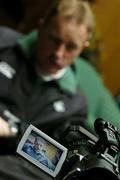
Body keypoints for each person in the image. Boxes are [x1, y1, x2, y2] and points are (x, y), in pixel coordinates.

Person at [0, 0, 120, 179]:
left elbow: (53, 160)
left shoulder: (75, 104)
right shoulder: (4, 43)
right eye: (54, 40)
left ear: (83, 47)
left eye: (70, 47)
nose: (58, 53)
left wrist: (13, 130)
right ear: (41, 27)